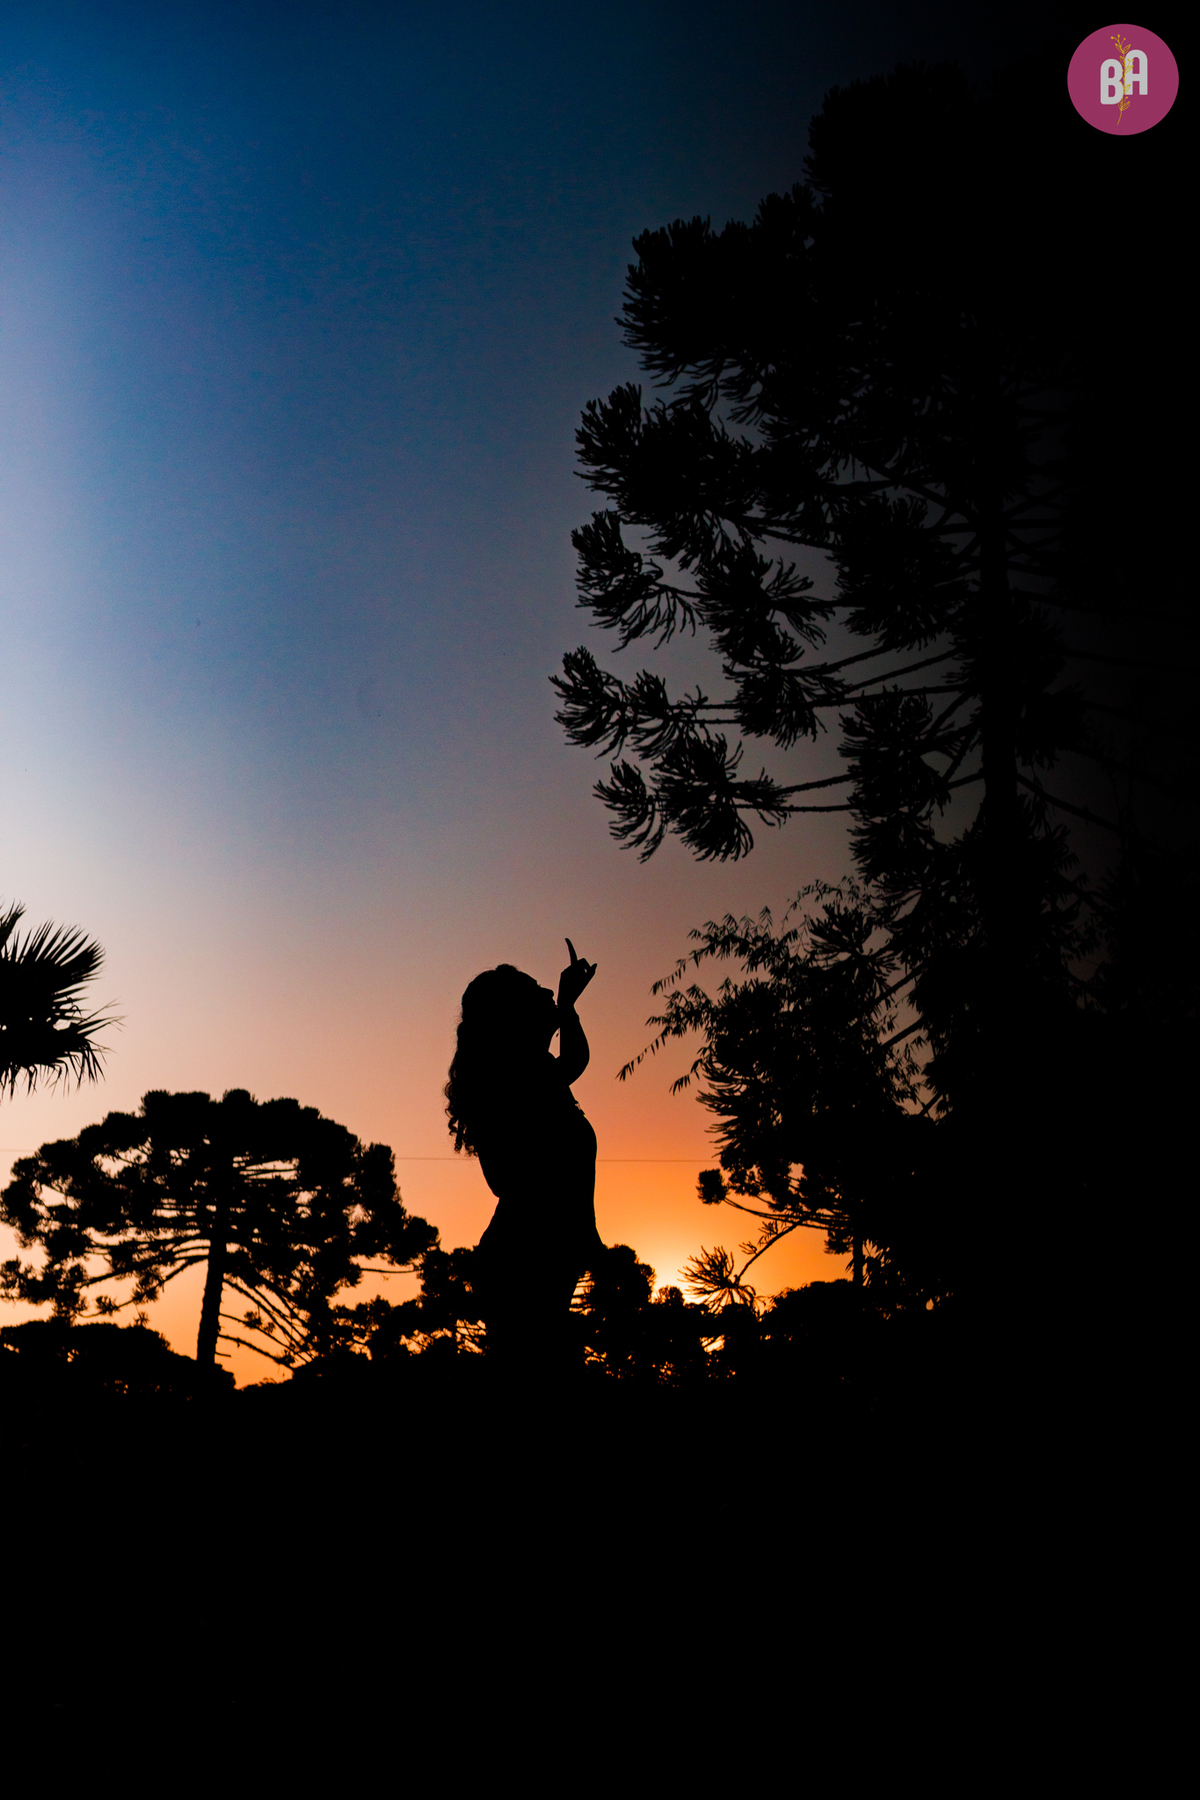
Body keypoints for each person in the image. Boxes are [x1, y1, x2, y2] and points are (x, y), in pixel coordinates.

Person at [446, 940, 603, 1368]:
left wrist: (566, 1008)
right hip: (522, 1266)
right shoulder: (510, 1083)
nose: (547, 992)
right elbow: (511, 1181)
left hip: (538, 1258)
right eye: (536, 990)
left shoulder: (532, 1074)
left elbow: (572, 1061)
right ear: (511, 1016)